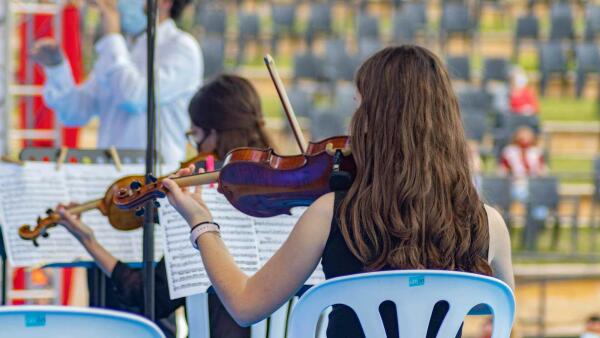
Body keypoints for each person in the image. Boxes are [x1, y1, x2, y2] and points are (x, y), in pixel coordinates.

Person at [164, 45, 515, 337]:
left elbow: (244, 306)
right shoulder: (490, 224)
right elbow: (492, 309)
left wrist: (201, 223)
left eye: (360, 105)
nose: (354, 120)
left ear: (375, 121)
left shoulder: (330, 214)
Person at [56, 75, 270, 338]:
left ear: (214, 134)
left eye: (195, 136)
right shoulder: (289, 195)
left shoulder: (202, 211)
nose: (196, 148)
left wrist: (89, 241)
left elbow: (148, 298)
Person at [31, 0, 202, 163]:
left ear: (164, 2)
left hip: (157, 181)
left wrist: (112, 35)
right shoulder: (121, 48)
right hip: (111, 177)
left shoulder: (182, 47)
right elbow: (76, 112)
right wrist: (57, 68)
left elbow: (134, 97)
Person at [499, 126, 547, 202]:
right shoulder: (509, 151)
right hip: (515, 183)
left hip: (534, 183)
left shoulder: (536, 151)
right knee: (520, 193)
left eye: (527, 135)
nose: (524, 138)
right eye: (522, 135)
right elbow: (502, 171)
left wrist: (539, 174)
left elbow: (543, 170)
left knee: (540, 196)